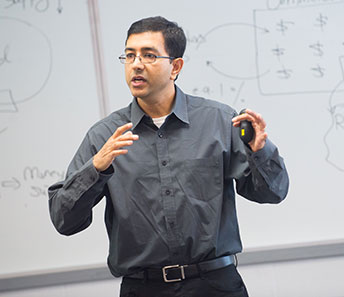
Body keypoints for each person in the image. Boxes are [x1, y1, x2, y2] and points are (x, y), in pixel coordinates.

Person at [48, 16, 289, 297]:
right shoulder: (104, 136)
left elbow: (272, 193)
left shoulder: (219, 121)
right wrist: (96, 169)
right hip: (142, 288)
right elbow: (64, 221)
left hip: (215, 285)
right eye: (129, 55)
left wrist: (261, 152)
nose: (136, 64)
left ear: (175, 66)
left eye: (149, 55)